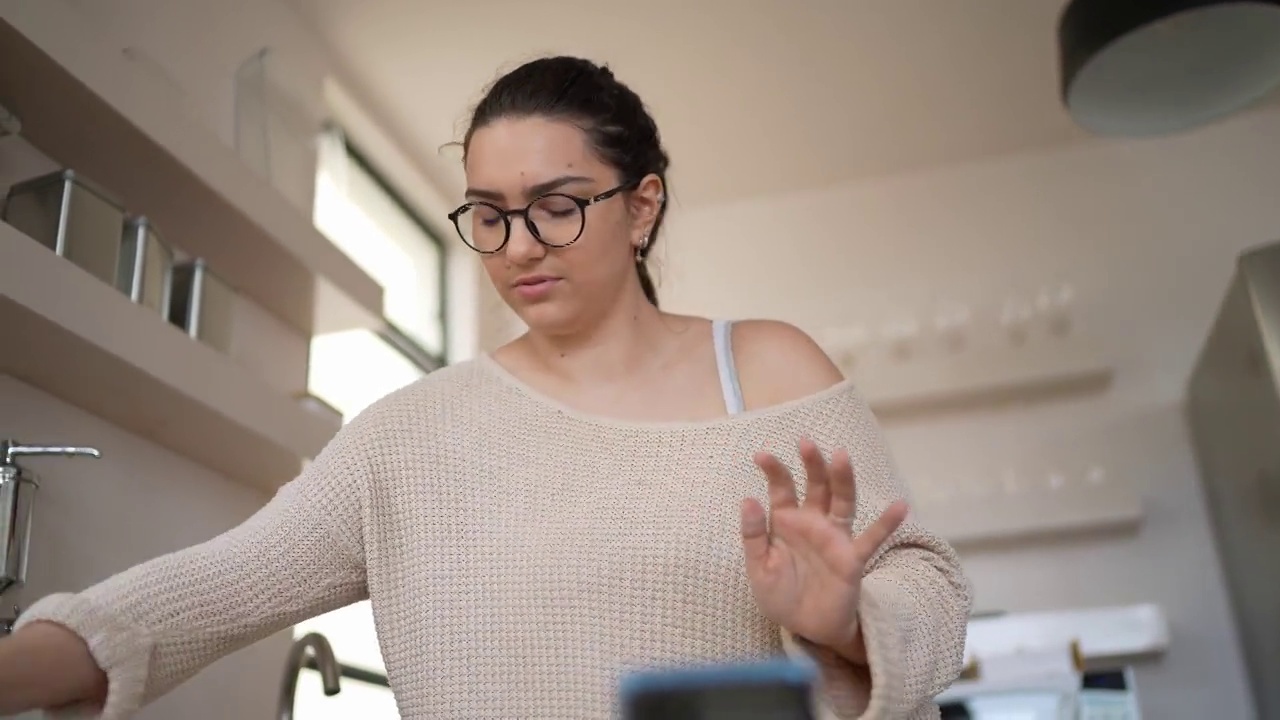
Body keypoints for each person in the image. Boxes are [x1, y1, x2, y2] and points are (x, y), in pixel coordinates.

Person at [0, 56, 972, 719]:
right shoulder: (407, 438)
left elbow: (923, 585)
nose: (517, 248)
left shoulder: (761, 367)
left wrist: (842, 623)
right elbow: (197, 595)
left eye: (555, 207)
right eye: (489, 216)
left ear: (641, 208)